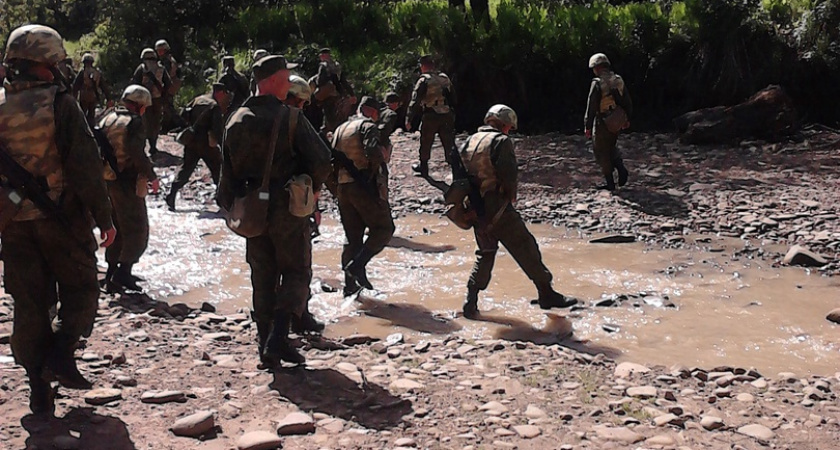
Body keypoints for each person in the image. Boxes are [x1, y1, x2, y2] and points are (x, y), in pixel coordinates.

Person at [0, 24, 116, 415]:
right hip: (61, 219)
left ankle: (38, 384)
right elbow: (85, 167)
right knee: (82, 289)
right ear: (45, 63)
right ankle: (62, 352)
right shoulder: (60, 103)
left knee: (30, 303)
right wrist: (104, 217)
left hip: (12, 223)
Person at [218, 55, 332, 366]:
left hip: (252, 210)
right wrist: (315, 189)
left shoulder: (235, 118)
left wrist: (230, 206)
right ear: (272, 81)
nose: (288, 84)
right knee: (296, 271)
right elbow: (322, 159)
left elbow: (225, 172)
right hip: (288, 209)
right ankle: (278, 339)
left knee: (262, 275)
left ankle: (263, 344)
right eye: (284, 78)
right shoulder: (291, 117)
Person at [458, 105, 577, 318]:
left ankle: (470, 302)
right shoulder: (501, 141)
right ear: (504, 124)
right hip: (497, 206)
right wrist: (511, 197)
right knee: (525, 247)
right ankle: (546, 293)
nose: (509, 131)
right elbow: (508, 174)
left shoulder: (470, 140)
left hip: (474, 208)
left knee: (485, 253)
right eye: (509, 127)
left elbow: (460, 174)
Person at [331, 96, 395, 297]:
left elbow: (330, 158)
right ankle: (358, 265)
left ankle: (350, 287)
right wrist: (376, 167)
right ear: (373, 112)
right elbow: (372, 152)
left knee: (352, 238)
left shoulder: (341, 128)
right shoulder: (368, 127)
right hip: (363, 186)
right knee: (384, 228)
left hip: (343, 187)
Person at [99, 85, 159, 292]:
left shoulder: (107, 117)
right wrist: (152, 176)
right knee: (137, 228)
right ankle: (123, 273)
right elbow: (136, 152)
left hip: (107, 180)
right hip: (126, 182)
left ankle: (111, 272)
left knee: (116, 227)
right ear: (141, 105)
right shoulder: (134, 122)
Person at [166, 83, 231, 211]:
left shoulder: (197, 100)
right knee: (217, 170)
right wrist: (223, 145)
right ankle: (222, 201)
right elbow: (217, 130)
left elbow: (183, 114)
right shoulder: (214, 106)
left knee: (186, 169)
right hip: (207, 144)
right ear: (220, 93)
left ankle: (172, 194)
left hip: (192, 142)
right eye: (225, 94)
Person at [584, 53, 632, 191]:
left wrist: (587, 126)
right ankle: (621, 168)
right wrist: (627, 118)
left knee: (600, 150)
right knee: (611, 145)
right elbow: (627, 101)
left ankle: (610, 183)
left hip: (603, 121)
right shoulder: (618, 80)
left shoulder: (597, 83)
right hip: (617, 120)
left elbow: (591, 106)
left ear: (596, 68)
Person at [406, 55, 456, 177]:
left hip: (431, 114)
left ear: (423, 66)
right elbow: (453, 97)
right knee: (449, 142)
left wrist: (409, 118)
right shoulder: (444, 78)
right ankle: (456, 169)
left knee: (426, 141)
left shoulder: (424, 80)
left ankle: (424, 168)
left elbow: (415, 101)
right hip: (446, 113)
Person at [131, 48, 172, 156]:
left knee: (145, 122)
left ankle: (147, 146)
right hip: (157, 99)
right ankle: (153, 145)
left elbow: (134, 83)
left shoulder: (141, 69)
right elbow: (168, 84)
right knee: (155, 122)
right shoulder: (161, 69)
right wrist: (164, 97)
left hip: (144, 100)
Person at [314, 48, 356, 134]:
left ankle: (324, 139)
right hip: (338, 97)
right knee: (338, 118)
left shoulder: (323, 65)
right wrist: (351, 94)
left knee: (328, 120)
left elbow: (319, 81)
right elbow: (343, 81)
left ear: (323, 55)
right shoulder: (337, 65)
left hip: (328, 97)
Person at [73, 52, 110, 125]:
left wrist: (73, 98)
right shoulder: (97, 72)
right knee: (91, 115)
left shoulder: (82, 72)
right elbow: (103, 86)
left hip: (83, 97)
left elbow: (75, 86)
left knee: (82, 115)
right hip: (93, 97)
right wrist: (108, 98)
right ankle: (91, 129)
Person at [155, 39, 184, 132]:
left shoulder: (167, 61)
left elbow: (166, 75)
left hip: (169, 86)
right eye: (158, 50)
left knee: (168, 107)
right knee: (166, 108)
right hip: (170, 86)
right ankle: (165, 127)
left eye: (161, 50)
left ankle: (183, 124)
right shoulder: (168, 59)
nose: (159, 52)